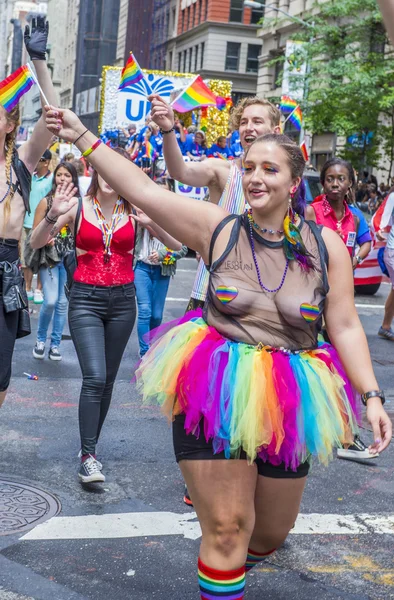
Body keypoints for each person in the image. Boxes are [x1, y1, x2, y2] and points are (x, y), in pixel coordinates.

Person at [46, 108, 392, 599]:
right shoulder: (218, 228)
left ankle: (232, 565)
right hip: (215, 385)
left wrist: (372, 397)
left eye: (270, 169)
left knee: (268, 533)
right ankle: (223, 567)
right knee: (228, 527)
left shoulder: (325, 245)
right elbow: (144, 189)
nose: (255, 177)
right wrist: (81, 134)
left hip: (292, 395)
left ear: (295, 181)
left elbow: (345, 325)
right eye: (249, 167)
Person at [31, 147, 184, 484]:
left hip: (122, 302)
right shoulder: (78, 207)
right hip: (85, 299)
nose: (111, 178)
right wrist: (52, 215)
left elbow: (177, 246)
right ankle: (87, 457)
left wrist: (154, 226)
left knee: (108, 382)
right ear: (97, 174)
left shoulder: (135, 210)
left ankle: (91, 448)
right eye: (105, 170)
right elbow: (35, 241)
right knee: (95, 378)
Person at [0, 16, 57, 410]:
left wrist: (38, 60)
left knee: (1, 379)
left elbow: (54, 120)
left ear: (9, 123)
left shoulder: (19, 163)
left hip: (5, 273)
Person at [310, 158, 375, 461]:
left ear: (350, 183)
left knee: (342, 365)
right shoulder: (311, 212)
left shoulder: (356, 217)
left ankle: (345, 434)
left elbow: (366, 243)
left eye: (341, 179)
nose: (335, 184)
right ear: (323, 183)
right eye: (330, 179)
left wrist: (355, 260)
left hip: (340, 300)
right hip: (312, 299)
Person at [31, 162, 80, 361]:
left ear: (73, 179)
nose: (62, 178)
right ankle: (41, 340)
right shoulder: (46, 202)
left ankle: (56, 344)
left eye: (67, 175)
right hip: (48, 259)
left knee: (61, 303)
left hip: (69, 260)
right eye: (59, 174)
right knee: (50, 301)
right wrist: (46, 236)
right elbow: (34, 234)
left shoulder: (78, 203)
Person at [134, 177, 188, 357]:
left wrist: (164, 254)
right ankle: (145, 351)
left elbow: (184, 248)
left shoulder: (175, 218)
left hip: (162, 271)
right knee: (144, 310)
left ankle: (150, 342)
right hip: (141, 267)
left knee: (156, 315)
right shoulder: (141, 214)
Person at [22, 148, 53, 303]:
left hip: (42, 226)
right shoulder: (30, 177)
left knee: (41, 259)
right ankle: (27, 287)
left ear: (46, 162)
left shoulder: (51, 179)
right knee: (25, 258)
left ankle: (39, 289)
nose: (36, 162)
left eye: (39, 160)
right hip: (26, 223)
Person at [376, 187, 394, 341]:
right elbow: (382, 218)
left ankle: (385, 326)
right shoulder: (393, 197)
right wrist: (379, 229)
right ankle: (385, 326)